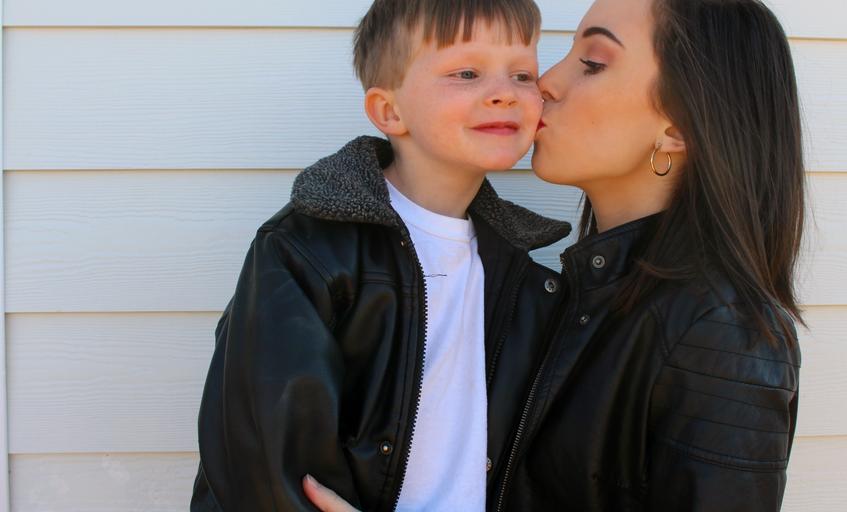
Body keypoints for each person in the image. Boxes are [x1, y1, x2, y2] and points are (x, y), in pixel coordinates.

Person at [305, 0, 805, 510]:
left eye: (592, 63)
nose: (544, 83)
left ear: (677, 128)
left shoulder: (724, 333)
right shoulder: (559, 295)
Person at [190, 0, 570, 510]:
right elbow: (259, 450)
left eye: (522, 74)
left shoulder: (528, 279)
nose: (506, 92)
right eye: (467, 73)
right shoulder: (308, 249)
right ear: (390, 111)